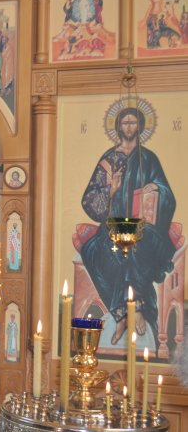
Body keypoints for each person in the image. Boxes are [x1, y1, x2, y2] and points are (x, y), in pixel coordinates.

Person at [80, 107, 176, 345]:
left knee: (134, 248)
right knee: (93, 251)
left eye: (133, 123)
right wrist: (111, 191)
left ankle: (134, 310)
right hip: (113, 225)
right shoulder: (109, 158)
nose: (129, 127)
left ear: (140, 126)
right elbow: (89, 199)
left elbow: (168, 196)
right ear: (118, 127)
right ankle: (125, 313)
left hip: (144, 227)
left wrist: (156, 189)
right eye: (125, 123)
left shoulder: (149, 158)